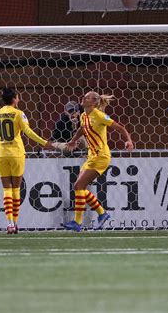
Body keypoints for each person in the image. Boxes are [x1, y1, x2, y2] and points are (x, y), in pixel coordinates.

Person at [63, 91, 134, 232]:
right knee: (80, 188)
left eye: (87, 97)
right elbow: (82, 130)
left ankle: (77, 222)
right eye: (83, 96)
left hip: (101, 157)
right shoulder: (83, 116)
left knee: (78, 186)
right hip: (91, 157)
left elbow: (120, 128)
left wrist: (128, 140)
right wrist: (72, 141)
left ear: (94, 102)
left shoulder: (100, 115)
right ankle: (102, 213)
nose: (83, 98)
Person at [0, 88, 54, 234]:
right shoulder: (19, 114)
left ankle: (10, 223)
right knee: (16, 189)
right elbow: (28, 132)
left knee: (6, 189)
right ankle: (16, 222)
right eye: (18, 98)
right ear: (14, 99)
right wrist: (44, 143)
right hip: (17, 153)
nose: (19, 100)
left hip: (1, 154)